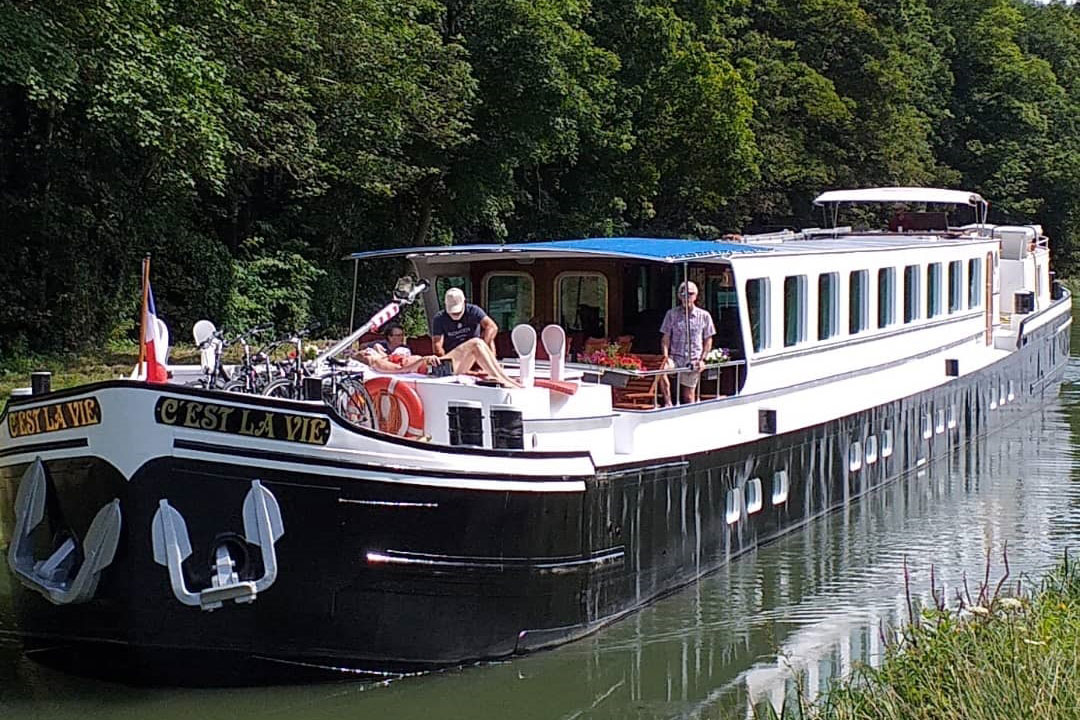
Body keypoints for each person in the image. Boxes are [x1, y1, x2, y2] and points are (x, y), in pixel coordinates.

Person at [357, 337, 520, 388]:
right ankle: (504, 380)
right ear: (367, 356)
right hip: (433, 368)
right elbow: (400, 370)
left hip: (433, 365)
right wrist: (423, 359)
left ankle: (506, 379)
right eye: (368, 350)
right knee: (476, 344)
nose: (372, 348)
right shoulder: (377, 363)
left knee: (478, 345)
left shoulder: (384, 355)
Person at [660, 280, 716, 405]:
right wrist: (665, 357)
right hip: (675, 357)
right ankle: (668, 402)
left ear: (695, 296)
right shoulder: (671, 314)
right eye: (683, 294)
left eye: (690, 294)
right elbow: (665, 338)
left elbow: (708, 339)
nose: (686, 297)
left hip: (693, 360)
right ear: (679, 296)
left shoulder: (704, 316)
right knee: (661, 369)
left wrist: (703, 360)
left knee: (688, 397)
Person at [432, 288, 498, 356]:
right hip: (453, 354)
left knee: (489, 337)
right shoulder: (439, 318)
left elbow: (492, 326)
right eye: (453, 312)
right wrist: (445, 361)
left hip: (475, 351)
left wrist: (484, 344)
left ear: (464, 302)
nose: (455, 314)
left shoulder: (474, 311)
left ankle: (492, 363)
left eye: (457, 311)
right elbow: (437, 344)